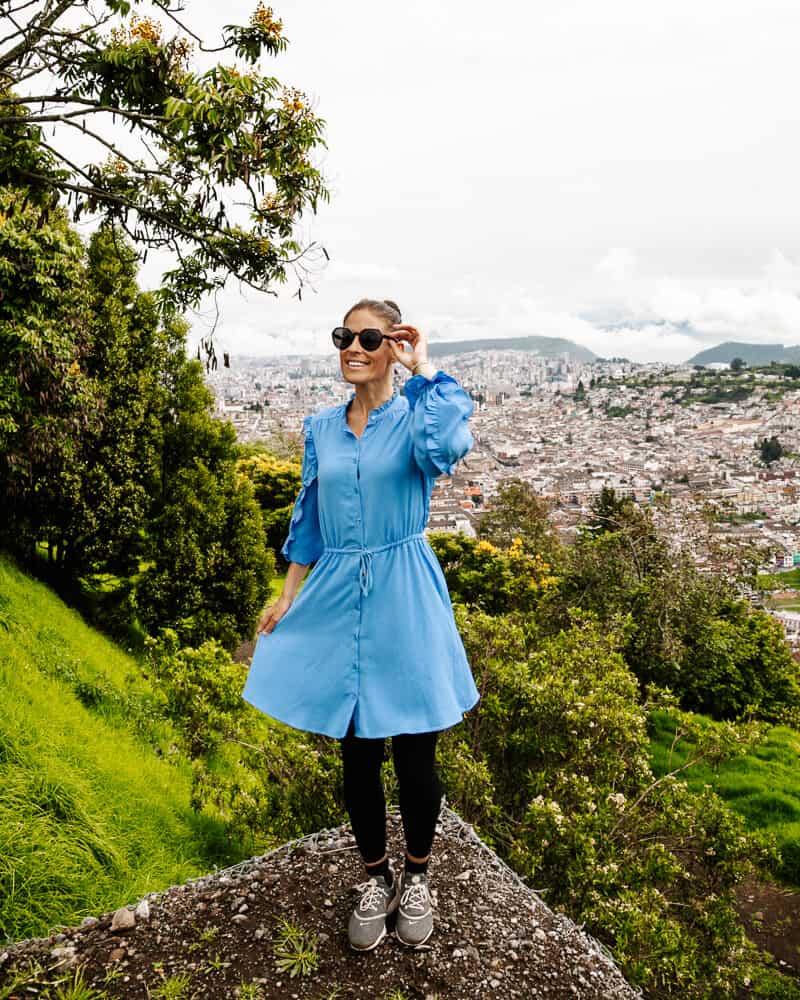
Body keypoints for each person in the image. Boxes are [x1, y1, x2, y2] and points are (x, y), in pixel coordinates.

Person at [241, 297, 480, 951]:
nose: (352, 346)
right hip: (340, 588)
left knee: (415, 748)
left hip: (404, 584)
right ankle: (375, 877)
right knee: (355, 748)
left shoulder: (416, 417)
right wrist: (290, 593)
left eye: (368, 337)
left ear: (392, 344)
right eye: (344, 335)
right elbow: (310, 515)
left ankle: (420, 876)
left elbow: (449, 446)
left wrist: (423, 369)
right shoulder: (320, 426)